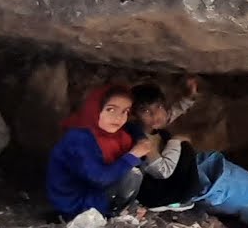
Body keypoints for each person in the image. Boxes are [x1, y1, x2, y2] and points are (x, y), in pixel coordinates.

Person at [46, 86, 156, 219]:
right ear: (95, 109)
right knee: (131, 173)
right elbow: (99, 178)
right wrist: (133, 155)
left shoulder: (117, 136)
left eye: (125, 111)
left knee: (136, 167)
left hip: (94, 193)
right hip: (73, 203)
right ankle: (113, 213)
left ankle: (121, 209)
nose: (118, 118)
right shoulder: (78, 138)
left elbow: (133, 127)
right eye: (111, 109)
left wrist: (141, 141)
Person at [125, 78, 201, 211]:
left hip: (159, 188)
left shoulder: (150, 126)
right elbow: (163, 172)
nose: (155, 115)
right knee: (185, 148)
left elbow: (171, 113)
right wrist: (176, 141)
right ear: (134, 114)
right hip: (152, 195)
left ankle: (180, 196)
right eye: (146, 111)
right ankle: (179, 198)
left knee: (169, 138)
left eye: (158, 107)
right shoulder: (141, 139)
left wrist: (189, 96)